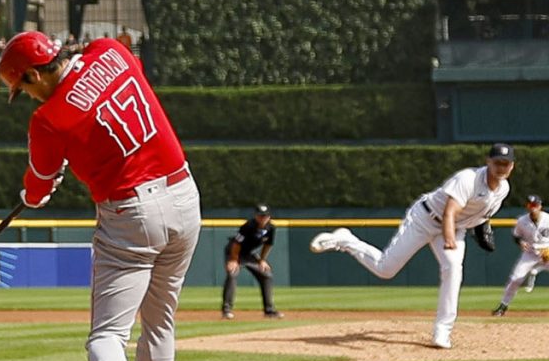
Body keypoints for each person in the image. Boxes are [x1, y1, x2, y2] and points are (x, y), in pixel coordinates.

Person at [0, 32, 201, 361]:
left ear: (33, 74)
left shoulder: (49, 120)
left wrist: (36, 195)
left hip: (132, 214)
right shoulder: (111, 50)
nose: (28, 96)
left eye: (25, 87)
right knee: (160, 323)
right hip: (184, 196)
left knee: (107, 334)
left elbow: (38, 185)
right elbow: (105, 100)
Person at [310, 143, 515, 349]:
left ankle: (442, 332)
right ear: (488, 161)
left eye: (505, 164)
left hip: (454, 227)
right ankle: (346, 240)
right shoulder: (468, 179)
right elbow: (449, 212)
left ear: (511, 166)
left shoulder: (503, 189)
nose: (501, 167)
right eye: (497, 162)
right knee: (385, 269)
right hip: (425, 219)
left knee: (453, 269)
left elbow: (481, 215)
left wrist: (478, 227)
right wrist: (450, 238)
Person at [222, 204, 284, 320]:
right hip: (234, 252)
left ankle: (269, 311)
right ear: (256, 216)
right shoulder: (248, 226)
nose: (262, 218)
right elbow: (236, 244)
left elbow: (267, 245)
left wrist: (262, 260)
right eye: (260, 216)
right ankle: (226, 310)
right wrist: (234, 260)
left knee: (266, 275)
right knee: (232, 274)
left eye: (265, 216)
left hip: (248, 254)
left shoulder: (271, 228)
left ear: (269, 217)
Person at [492, 194, 549, 316]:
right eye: (530, 205)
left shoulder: (547, 219)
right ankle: (503, 306)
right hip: (530, 254)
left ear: (540, 206)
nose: (532, 207)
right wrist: (521, 243)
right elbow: (516, 236)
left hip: (547, 250)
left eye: (535, 205)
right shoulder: (522, 221)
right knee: (515, 279)